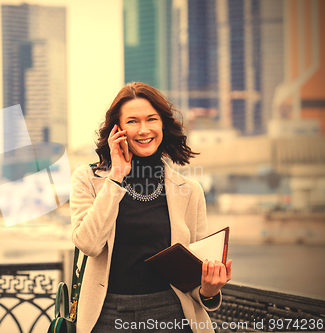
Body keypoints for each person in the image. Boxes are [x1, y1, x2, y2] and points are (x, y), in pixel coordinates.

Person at [70, 82, 232, 333]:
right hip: (108, 316)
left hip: (172, 314)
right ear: (118, 129)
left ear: (163, 125)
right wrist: (115, 177)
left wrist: (208, 290)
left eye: (151, 119)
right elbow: (88, 244)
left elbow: (194, 272)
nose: (143, 130)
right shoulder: (87, 179)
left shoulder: (189, 190)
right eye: (132, 121)